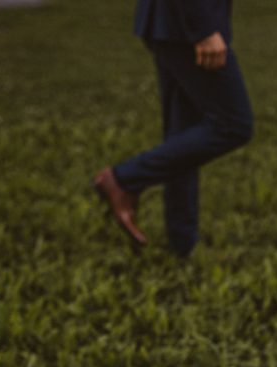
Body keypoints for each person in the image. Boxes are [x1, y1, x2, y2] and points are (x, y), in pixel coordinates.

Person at [93, 0, 253, 257]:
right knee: (233, 125)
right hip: (186, 24)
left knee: (183, 129)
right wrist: (202, 28)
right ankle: (123, 179)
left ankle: (182, 243)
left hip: (172, 24)